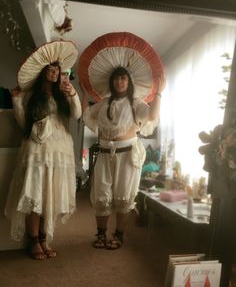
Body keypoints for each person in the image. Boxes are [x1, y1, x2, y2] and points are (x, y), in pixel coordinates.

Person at [5, 41, 82, 260]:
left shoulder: (63, 95)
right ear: (42, 73)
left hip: (60, 150)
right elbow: (23, 123)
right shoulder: (32, 96)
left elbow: (76, 115)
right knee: (36, 193)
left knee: (51, 195)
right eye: (49, 69)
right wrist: (17, 100)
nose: (53, 72)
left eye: (57, 69)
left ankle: (44, 238)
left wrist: (72, 93)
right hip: (37, 149)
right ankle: (34, 241)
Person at [80, 66, 165, 250]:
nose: (120, 82)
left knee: (124, 196)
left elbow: (152, 115)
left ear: (129, 82)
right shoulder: (103, 103)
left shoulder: (136, 103)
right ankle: (101, 234)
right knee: (101, 195)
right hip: (104, 154)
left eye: (123, 78)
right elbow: (87, 114)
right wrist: (84, 93)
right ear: (112, 82)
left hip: (127, 155)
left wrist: (158, 93)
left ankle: (118, 235)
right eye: (117, 78)